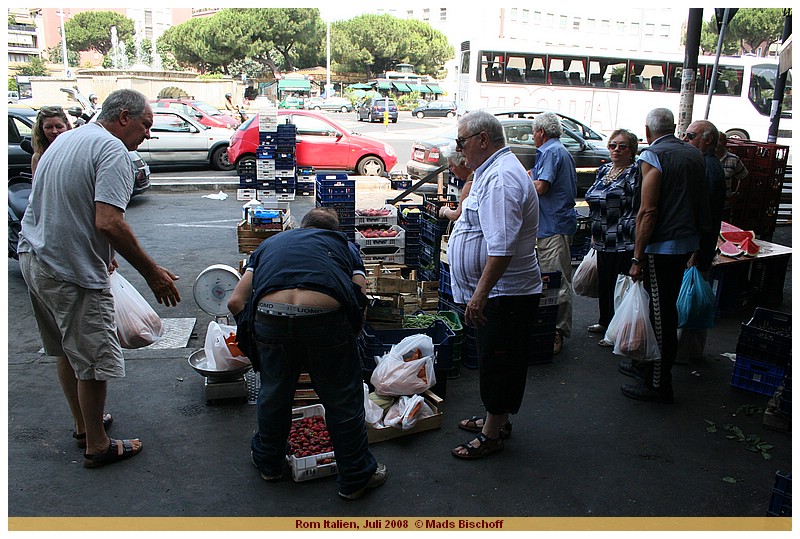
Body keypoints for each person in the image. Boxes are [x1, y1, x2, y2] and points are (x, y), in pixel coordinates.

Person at [17, 89, 181, 468]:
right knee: (92, 359)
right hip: (68, 271)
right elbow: (108, 221)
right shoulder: (113, 152)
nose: (147, 134)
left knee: (65, 349)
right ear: (124, 117)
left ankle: (83, 424)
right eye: (146, 125)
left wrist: (104, 255)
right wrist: (152, 273)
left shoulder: (69, 138)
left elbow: (68, 205)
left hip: (36, 258)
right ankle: (98, 445)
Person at [227, 207, 386, 500]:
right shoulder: (345, 246)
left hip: (270, 318)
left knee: (274, 393)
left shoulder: (269, 245)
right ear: (334, 231)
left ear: (301, 227)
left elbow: (236, 301)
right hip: (325, 318)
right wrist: (343, 338)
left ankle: (268, 463)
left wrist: (259, 335)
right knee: (343, 400)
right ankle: (355, 477)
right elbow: (358, 297)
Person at [447, 110, 542, 459]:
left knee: (500, 362)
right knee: (496, 359)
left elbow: (501, 248)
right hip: (502, 294)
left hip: (505, 295)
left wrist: (479, 296)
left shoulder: (500, 179)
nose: (460, 149)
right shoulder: (490, 172)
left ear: (482, 140)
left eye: (462, 142)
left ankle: (492, 434)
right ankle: (495, 419)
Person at [620, 108, 710, 403]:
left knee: (661, 316)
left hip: (663, 246)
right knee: (662, 312)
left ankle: (658, 383)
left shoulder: (653, 156)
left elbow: (648, 211)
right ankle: (648, 368)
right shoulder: (693, 154)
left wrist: (637, 256)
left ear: (647, 131)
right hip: (685, 241)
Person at [583, 129, 639, 345]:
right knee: (605, 283)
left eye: (622, 146)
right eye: (613, 145)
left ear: (631, 150)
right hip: (601, 238)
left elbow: (636, 206)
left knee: (619, 285)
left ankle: (617, 330)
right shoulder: (604, 169)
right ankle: (605, 321)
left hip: (622, 239)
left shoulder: (634, 173)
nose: (616, 149)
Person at [677, 120, 726, 364]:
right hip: (702, 245)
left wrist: (694, 250)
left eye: (691, 135)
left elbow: (702, 215)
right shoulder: (708, 165)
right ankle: (691, 350)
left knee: (689, 298)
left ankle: (684, 352)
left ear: (707, 140)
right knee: (693, 295)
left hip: (699, 246)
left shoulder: (707, 168)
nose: (686, 139)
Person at [529, 112, 577, 355]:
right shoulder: (557, 150)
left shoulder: (550, 151)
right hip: (553, 224)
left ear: (541, 132)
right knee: (553, 278)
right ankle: (553, 329)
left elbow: (542, 186)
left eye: (533, 132)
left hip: (554, 226)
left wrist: (523, 183)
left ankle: (556, 331)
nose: (532, 137)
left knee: (556, 281)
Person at [715, 132, 749, 220]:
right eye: (715, 140)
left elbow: (744, 176)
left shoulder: (733, 159)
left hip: (724, 205)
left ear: (725, 143)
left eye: (720, 140)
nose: (717, 143)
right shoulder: (703, 157)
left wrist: (736, 194)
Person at [31, 105, 72, 176]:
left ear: (67, 126)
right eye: (49, 127)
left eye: (59, 127)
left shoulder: (76, 151)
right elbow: (37, 185)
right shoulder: (38, 157)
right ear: (41, 129)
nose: (54, 131)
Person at [439, 151, 473, 222]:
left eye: (452, 166)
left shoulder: (469, 184)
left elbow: (457, 215)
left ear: (463, 164)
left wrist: (444, 210)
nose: (450, 169)